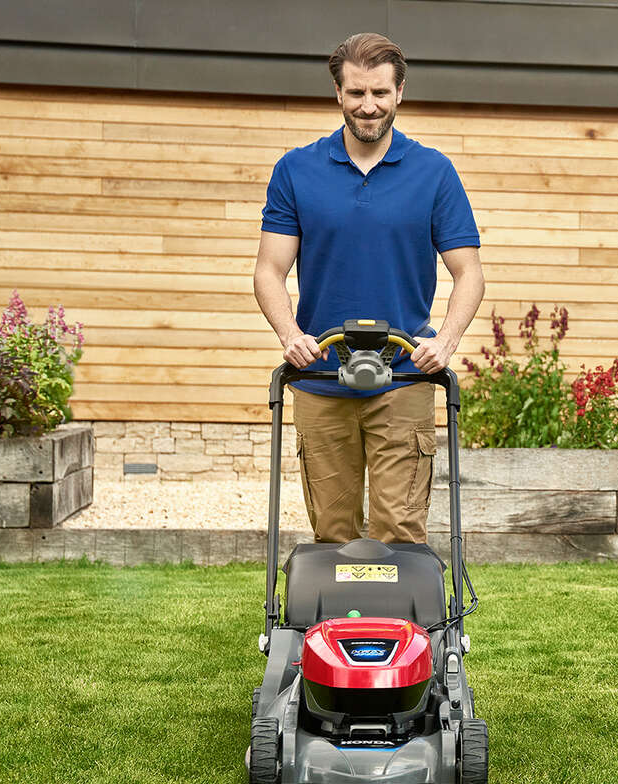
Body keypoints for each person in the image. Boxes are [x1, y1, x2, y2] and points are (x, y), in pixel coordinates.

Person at [253, 33, 484, 545]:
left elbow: (469, 274)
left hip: (404, 376)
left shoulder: (434, 173)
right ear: (338, 93)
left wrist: (443, 344)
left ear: (400, 92)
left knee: (399, 531)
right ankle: (337, 628)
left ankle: (398, 629)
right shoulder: (296, 171)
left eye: (379, 93)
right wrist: (290, 335)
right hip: (319, 376)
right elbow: (269, 270)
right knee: (333, 533)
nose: (368, 106)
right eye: (356, 93)